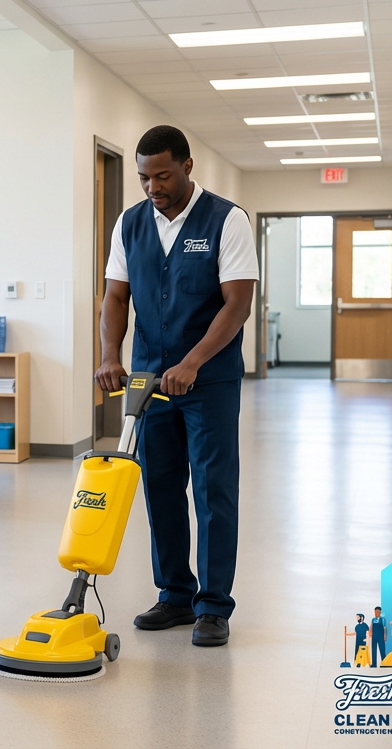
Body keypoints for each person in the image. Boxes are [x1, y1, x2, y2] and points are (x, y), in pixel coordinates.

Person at [95, 125, 258, 647]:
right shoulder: (131, 224)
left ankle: (214, 605)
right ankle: (174, 595)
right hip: (148, 380)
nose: (152, 187)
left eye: (162, 175)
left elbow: (237, 303)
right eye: (144, 177)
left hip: (207, 381)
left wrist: (193, 361)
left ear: (188, 167)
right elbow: (116, 297)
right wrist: (108, 357)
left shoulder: (226, 220)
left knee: (212, 491)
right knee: (159, 487)